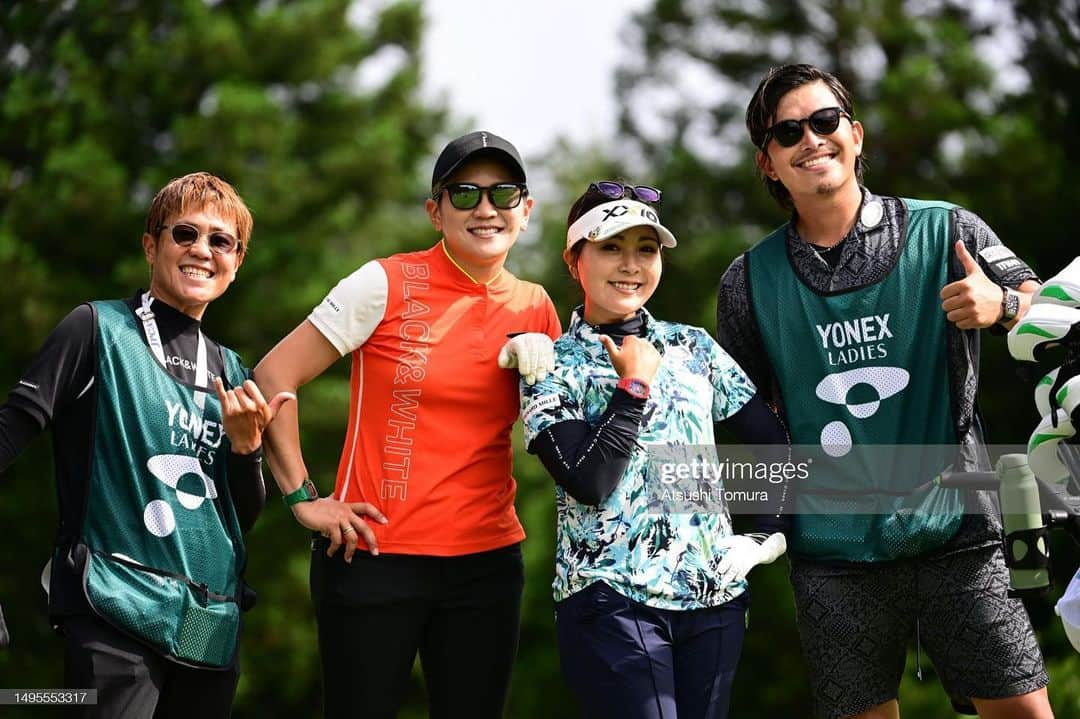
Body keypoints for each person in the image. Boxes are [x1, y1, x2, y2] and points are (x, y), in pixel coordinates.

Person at [717, 63, 1052, 719]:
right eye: (789, 132)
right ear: (769, 164)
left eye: (824, 121)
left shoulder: (949, 228)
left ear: (857, 134)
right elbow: (742, 416)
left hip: (961, 532)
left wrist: (1003, 302)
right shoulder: (746, 281)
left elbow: (1055, 313)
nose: (811, 139)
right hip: (831, 554)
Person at [254, 130, 561, 718]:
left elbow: (564, 434)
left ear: (527, 209)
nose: (486, 209)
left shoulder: (536, 307)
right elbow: (273, 378)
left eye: (504, 194)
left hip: (486, 568)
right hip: (372, 557)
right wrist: (302, 497)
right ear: (435, 210)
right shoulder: (383, 282)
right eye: (466, 194)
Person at [0, 172, 292, 717]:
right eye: (185, 233)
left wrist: (246, 449)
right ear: (151, 245)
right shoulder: (95, 328)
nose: (201, 250)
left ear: (237, 262)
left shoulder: (233, 373)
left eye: (220, 240)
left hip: (208, 629)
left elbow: (239, 519)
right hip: (112, 605)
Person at [519, 181, 789, 719]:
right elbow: (589, 480)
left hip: (713, 597)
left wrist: (760, 537)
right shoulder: (550, 363)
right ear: (575, 259)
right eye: (611, 248)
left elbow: (773, 443)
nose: (631, 265)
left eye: (645, 249)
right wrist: (633, 388)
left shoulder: (694, 347)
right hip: (610, 601)